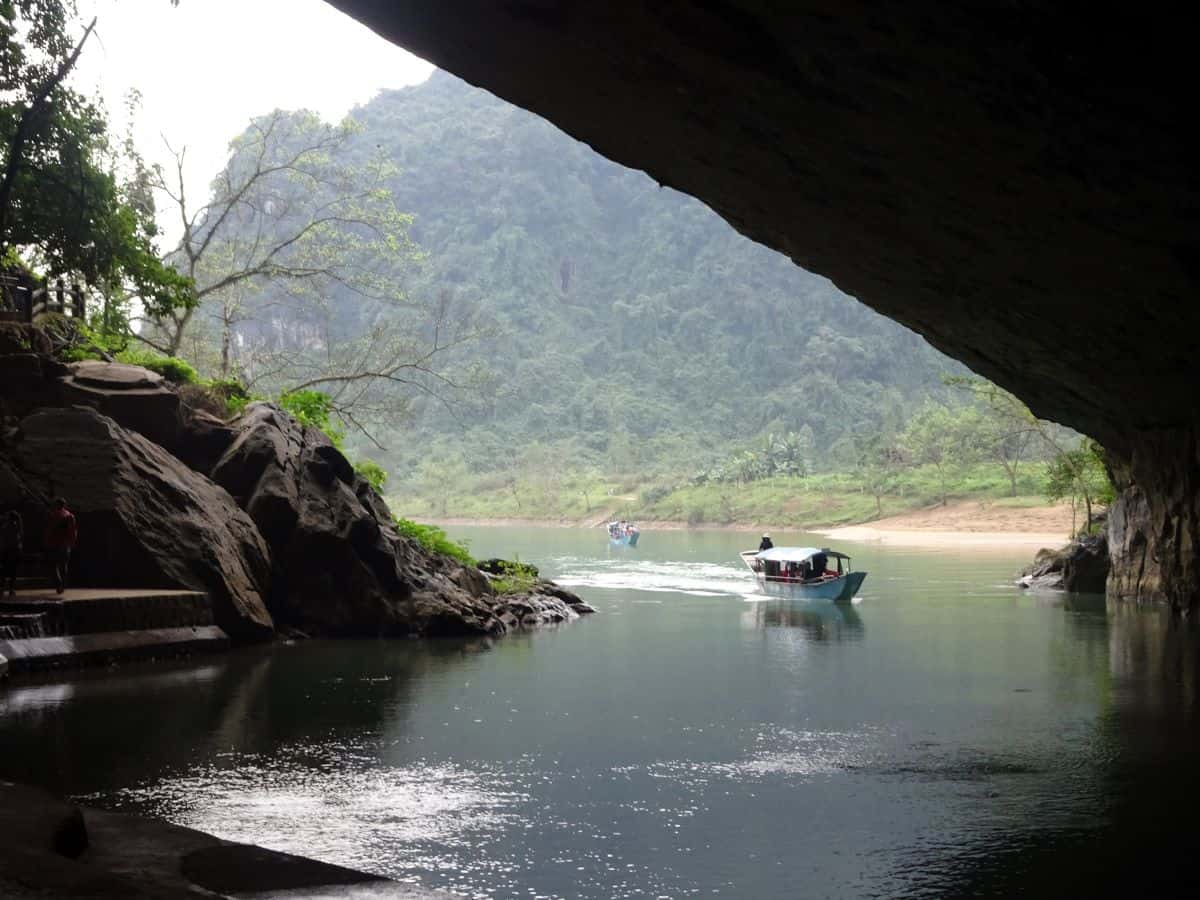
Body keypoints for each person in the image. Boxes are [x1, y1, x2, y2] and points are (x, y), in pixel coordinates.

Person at [43, 497, 78, 594]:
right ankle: (62, 584)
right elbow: (73, 531)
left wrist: (46, 542)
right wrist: (72, 543)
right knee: (64, 565)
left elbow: (48, 531)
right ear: (64, 505)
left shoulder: (52, 515)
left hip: (53, 544)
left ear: (56, 505)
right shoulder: (70, 516)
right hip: (65, 544)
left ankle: (58, 583)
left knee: (53, 565)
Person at [0, 510, 22, 596]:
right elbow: (19, 540)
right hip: (15, 550)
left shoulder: (5, 527)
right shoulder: (17, 527)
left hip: (7, 550)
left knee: (4, 570)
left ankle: (2, 587)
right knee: (13, 571)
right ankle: (11, 588)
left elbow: (3, 540)